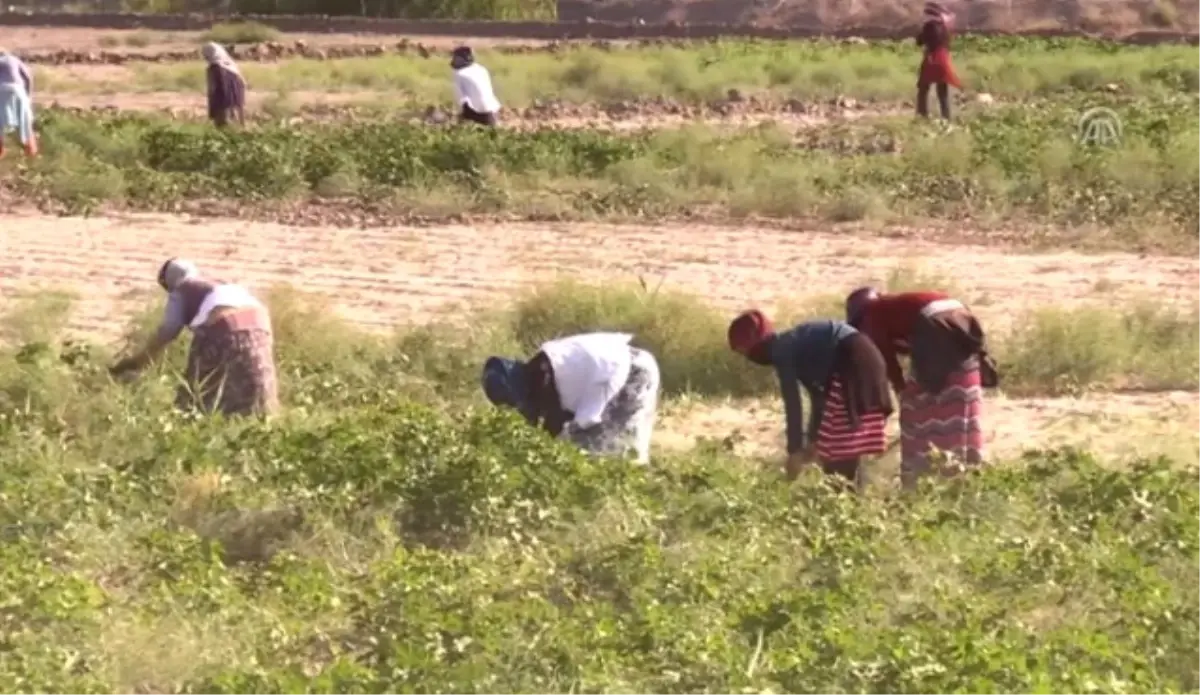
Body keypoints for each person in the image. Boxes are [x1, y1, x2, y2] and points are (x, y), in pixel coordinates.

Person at [846, 288, 999, 489]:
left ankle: (921, 475)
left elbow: (886, 361)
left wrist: (901, 391)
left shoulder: (872, 316)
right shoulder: (895, 306)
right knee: (962, 388)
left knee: (918, 405)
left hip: (935, 325)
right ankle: (967, 463)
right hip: (961, 314)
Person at [728, 311, 894, 491]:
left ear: (753, 342)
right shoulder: (794, 346)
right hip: (864, 357)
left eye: (743, 350)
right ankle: (852, 503)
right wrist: (814, 438)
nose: (747, 357)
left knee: (839, 452)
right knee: (838, 447)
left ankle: (847, 505)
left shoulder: (782, 349)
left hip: (853, 360)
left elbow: (793, 403)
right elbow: (818, 396)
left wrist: (794, 451)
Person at [110, 258, 278, 417]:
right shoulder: (222, 283)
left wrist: (137, 362)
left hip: (223, 328)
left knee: (196, 395)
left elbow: (168, 331)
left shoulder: (182, 289)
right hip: (261, 324)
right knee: (257, 385)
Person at [481, 332, 660, 464]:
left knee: (612, 452)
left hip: (632, 374)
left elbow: (565, 426)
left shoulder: (545, 378)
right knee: (595, 452)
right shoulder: (540, 370)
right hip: (622, 367)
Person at [915, 2, 960, 120]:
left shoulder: (929, 26)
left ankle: (922, 115)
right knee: (942, 90)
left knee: (923, 87)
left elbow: (919, 41)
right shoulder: (945, 27)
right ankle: (946, 117)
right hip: (944, 59)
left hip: (931, 58)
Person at [451, 46, 501, 127]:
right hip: (492, 109)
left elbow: (461, 98)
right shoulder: (481, 69)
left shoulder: (459, 74)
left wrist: (461, 116)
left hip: (476, 110)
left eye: (455, 57)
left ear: (461, 59)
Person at [0, 49, 36, 157]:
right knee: (25, 123)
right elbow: (28, 77)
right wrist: (28, 96)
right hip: (17, 89)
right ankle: (31, 152)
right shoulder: (13, 59)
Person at [202, 42, 245, 128]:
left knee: (224, 129)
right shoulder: (232, 67)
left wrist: (212, 110)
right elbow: (243, 84)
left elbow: (213, 90)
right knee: (237, 128)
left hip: (222, 105)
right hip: (236, 104)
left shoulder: (214, 69)